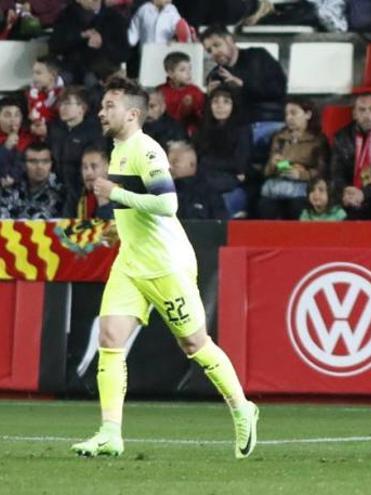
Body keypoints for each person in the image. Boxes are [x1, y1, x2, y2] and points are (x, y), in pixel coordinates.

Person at [69, 77, 257, 459]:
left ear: (133, 113)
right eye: (102, 105)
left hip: (165, 264)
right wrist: (118, 229)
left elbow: (168, 204)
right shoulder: (118, 149)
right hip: (131, 262)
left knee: (194, 344)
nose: (102, 112)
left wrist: (115, 194)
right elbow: (138, 210)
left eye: (110, 106)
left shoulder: (145, 148)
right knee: (110, 339)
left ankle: (242, 408)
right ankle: (110, 433)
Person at [201, 25, 287, 152]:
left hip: (269, 121)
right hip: (240, 129)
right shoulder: (216, 75)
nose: (214, 52)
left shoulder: (259, 57)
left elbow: (278, 89)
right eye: (209, 50)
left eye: (217, 45)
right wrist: (209, 98)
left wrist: (243, 85)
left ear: (230, 40)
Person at [259, 97, 328, 220]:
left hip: (301, 188)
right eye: (286, 114)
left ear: (308, 114)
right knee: (265, 206)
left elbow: (323, 172)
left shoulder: (318, 140)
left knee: (296, 206)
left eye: (294, 113)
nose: (289, 118)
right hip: (276, 185)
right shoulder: (279, 137)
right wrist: (273, 164)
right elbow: (266, 172)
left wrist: (301, 175)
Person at [193, 85, 251, 218]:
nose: (220, 106)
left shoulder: (242, 130)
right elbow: (197, 157)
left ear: (234, 105)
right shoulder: (203, 129)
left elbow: (239, 163)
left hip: (228, 176)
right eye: (215, 102)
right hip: (205, 174)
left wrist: (208, 162)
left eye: (226, 102)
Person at [49, 0, 130, 85]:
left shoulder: (114, 18)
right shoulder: (66, 16)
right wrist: (80, 36)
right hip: (71, 68)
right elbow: (54, 45)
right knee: (58, 80)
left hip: (100, 71)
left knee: (91, 80)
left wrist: (102, 44)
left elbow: (123, 54)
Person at [48, 87, 106, 192]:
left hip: (80, 187)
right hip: (56, 186)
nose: (62, 108)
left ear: (82, 108)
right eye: (61, 104)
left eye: (68, 104)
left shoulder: (93, 132)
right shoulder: (55, 129)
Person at [167, 140, 228, 220]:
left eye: (174, 162)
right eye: (167, 162)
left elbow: (220, 227)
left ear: (192, 164)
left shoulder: (209, 193)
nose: (169, 166)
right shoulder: (161, 191)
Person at [0, 141, 63, 219]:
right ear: (23, 164)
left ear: (51, 164)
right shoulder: (12, 187)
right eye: (33, 161)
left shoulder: (61, 191)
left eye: (45, 161)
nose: (39, 166)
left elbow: (62, 229)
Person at [157, 52, 204, 135]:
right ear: (170, 73)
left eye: (190, 69)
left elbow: (201, 116)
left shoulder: (195, 91)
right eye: (182, 70)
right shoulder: (160, 91)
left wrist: (189, 107)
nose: (188, 73)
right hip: (165, 132)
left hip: (189, 133)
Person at [62, 145, 114, 219]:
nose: (88, 173)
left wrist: (104, 204)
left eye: (94, 166)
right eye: (85, 167)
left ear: (106, 168)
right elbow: (62, 227)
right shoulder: (75, 196)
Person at [26, 55, 64, 126]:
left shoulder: (64, 96)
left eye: (38, 73)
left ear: (53, 75)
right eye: (33, 73)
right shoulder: (29, 92)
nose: (34, 77)